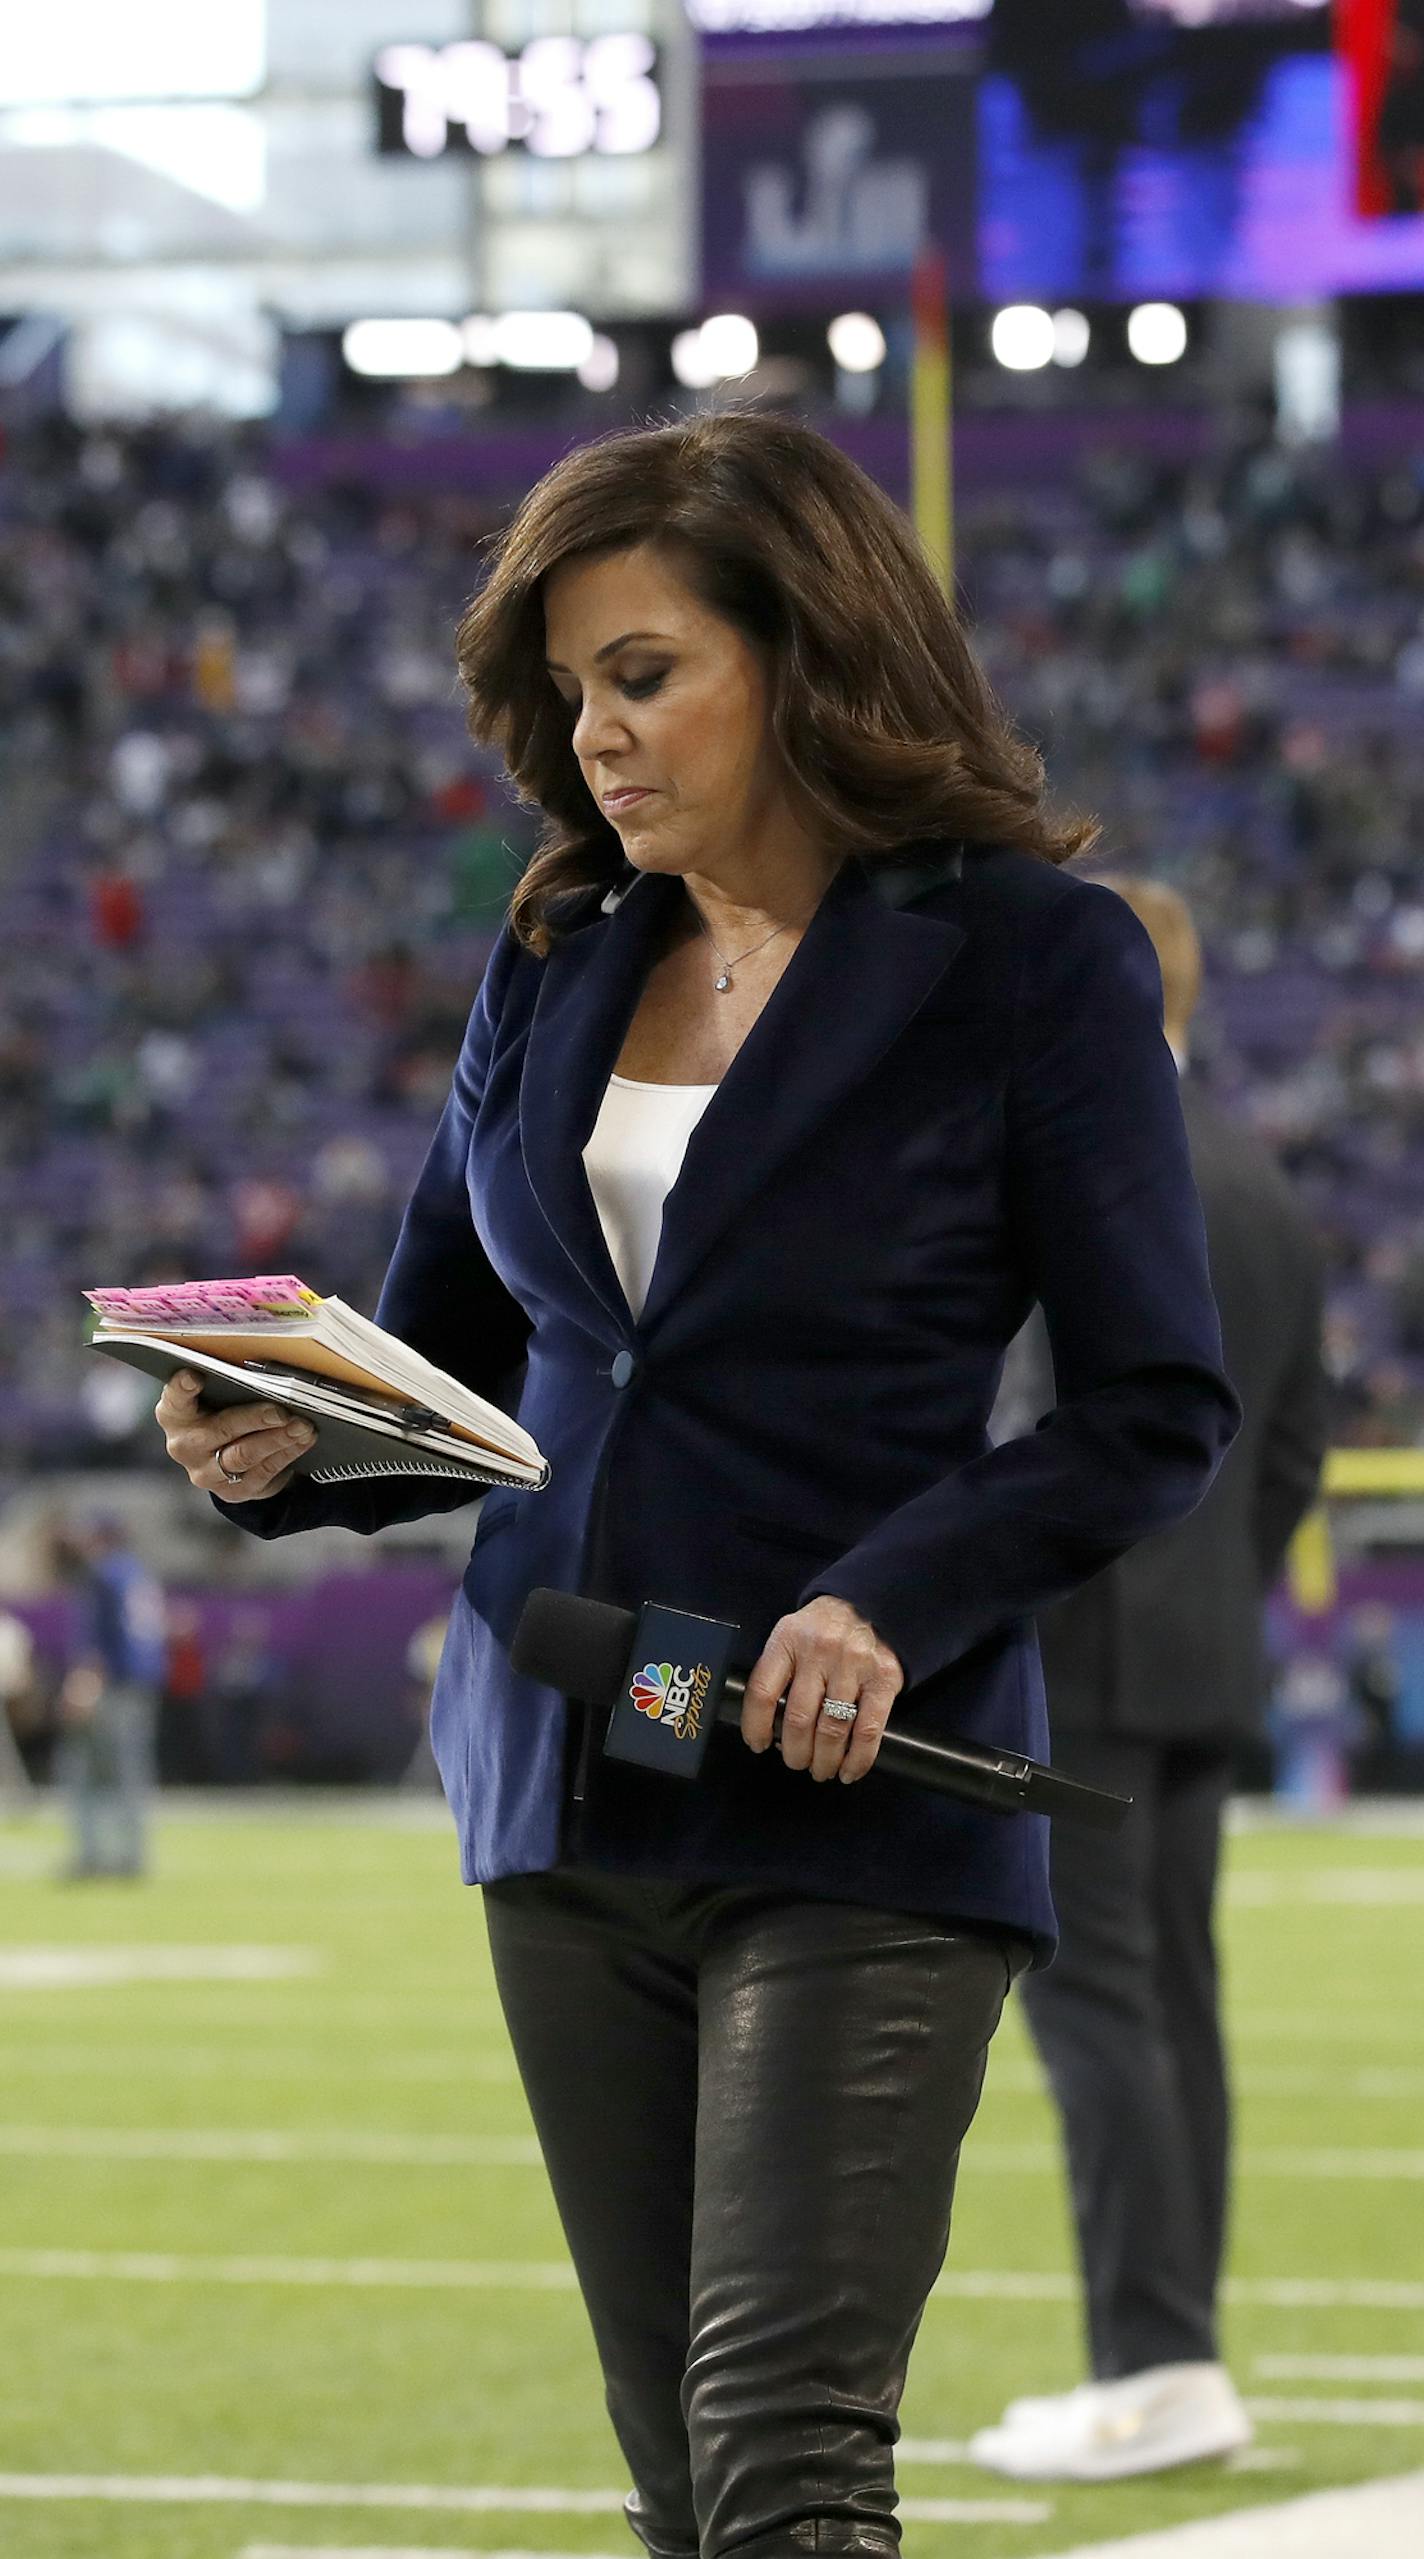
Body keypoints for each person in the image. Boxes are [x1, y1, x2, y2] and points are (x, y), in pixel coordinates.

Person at [154, 412, 1238, 2559]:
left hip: (858, 1777)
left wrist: (885, 1602)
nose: (595, 733)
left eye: (641, 672)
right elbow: (458, 1367)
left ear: (806, 652)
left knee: (783, 2468)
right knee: (686, 2495)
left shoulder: (1032, 956)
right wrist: (281, 1442)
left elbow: (1151, 1405)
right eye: (568, 690)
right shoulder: (555, 951)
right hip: (559, 1767)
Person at [971, 877, 1327, 2486]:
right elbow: (1298, 1444)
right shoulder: (1260, 1174)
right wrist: (1217, 1598)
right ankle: (1173, 2353)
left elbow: (1049, 1423)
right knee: (1177, 2003)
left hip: (1087, 1651)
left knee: (1102, 2009)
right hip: (1201, 1654)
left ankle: (1157, 2360)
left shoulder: (1083, 1148)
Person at [54, 1514, 166, 1880]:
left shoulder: (105, 1574)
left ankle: (96, 1857)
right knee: (130, 1772)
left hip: (112, 1685)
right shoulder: (136, 1572)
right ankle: (130, 1856)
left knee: (87, 1771)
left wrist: (84, 1685)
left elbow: (101, 1639)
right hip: (139, 1684)